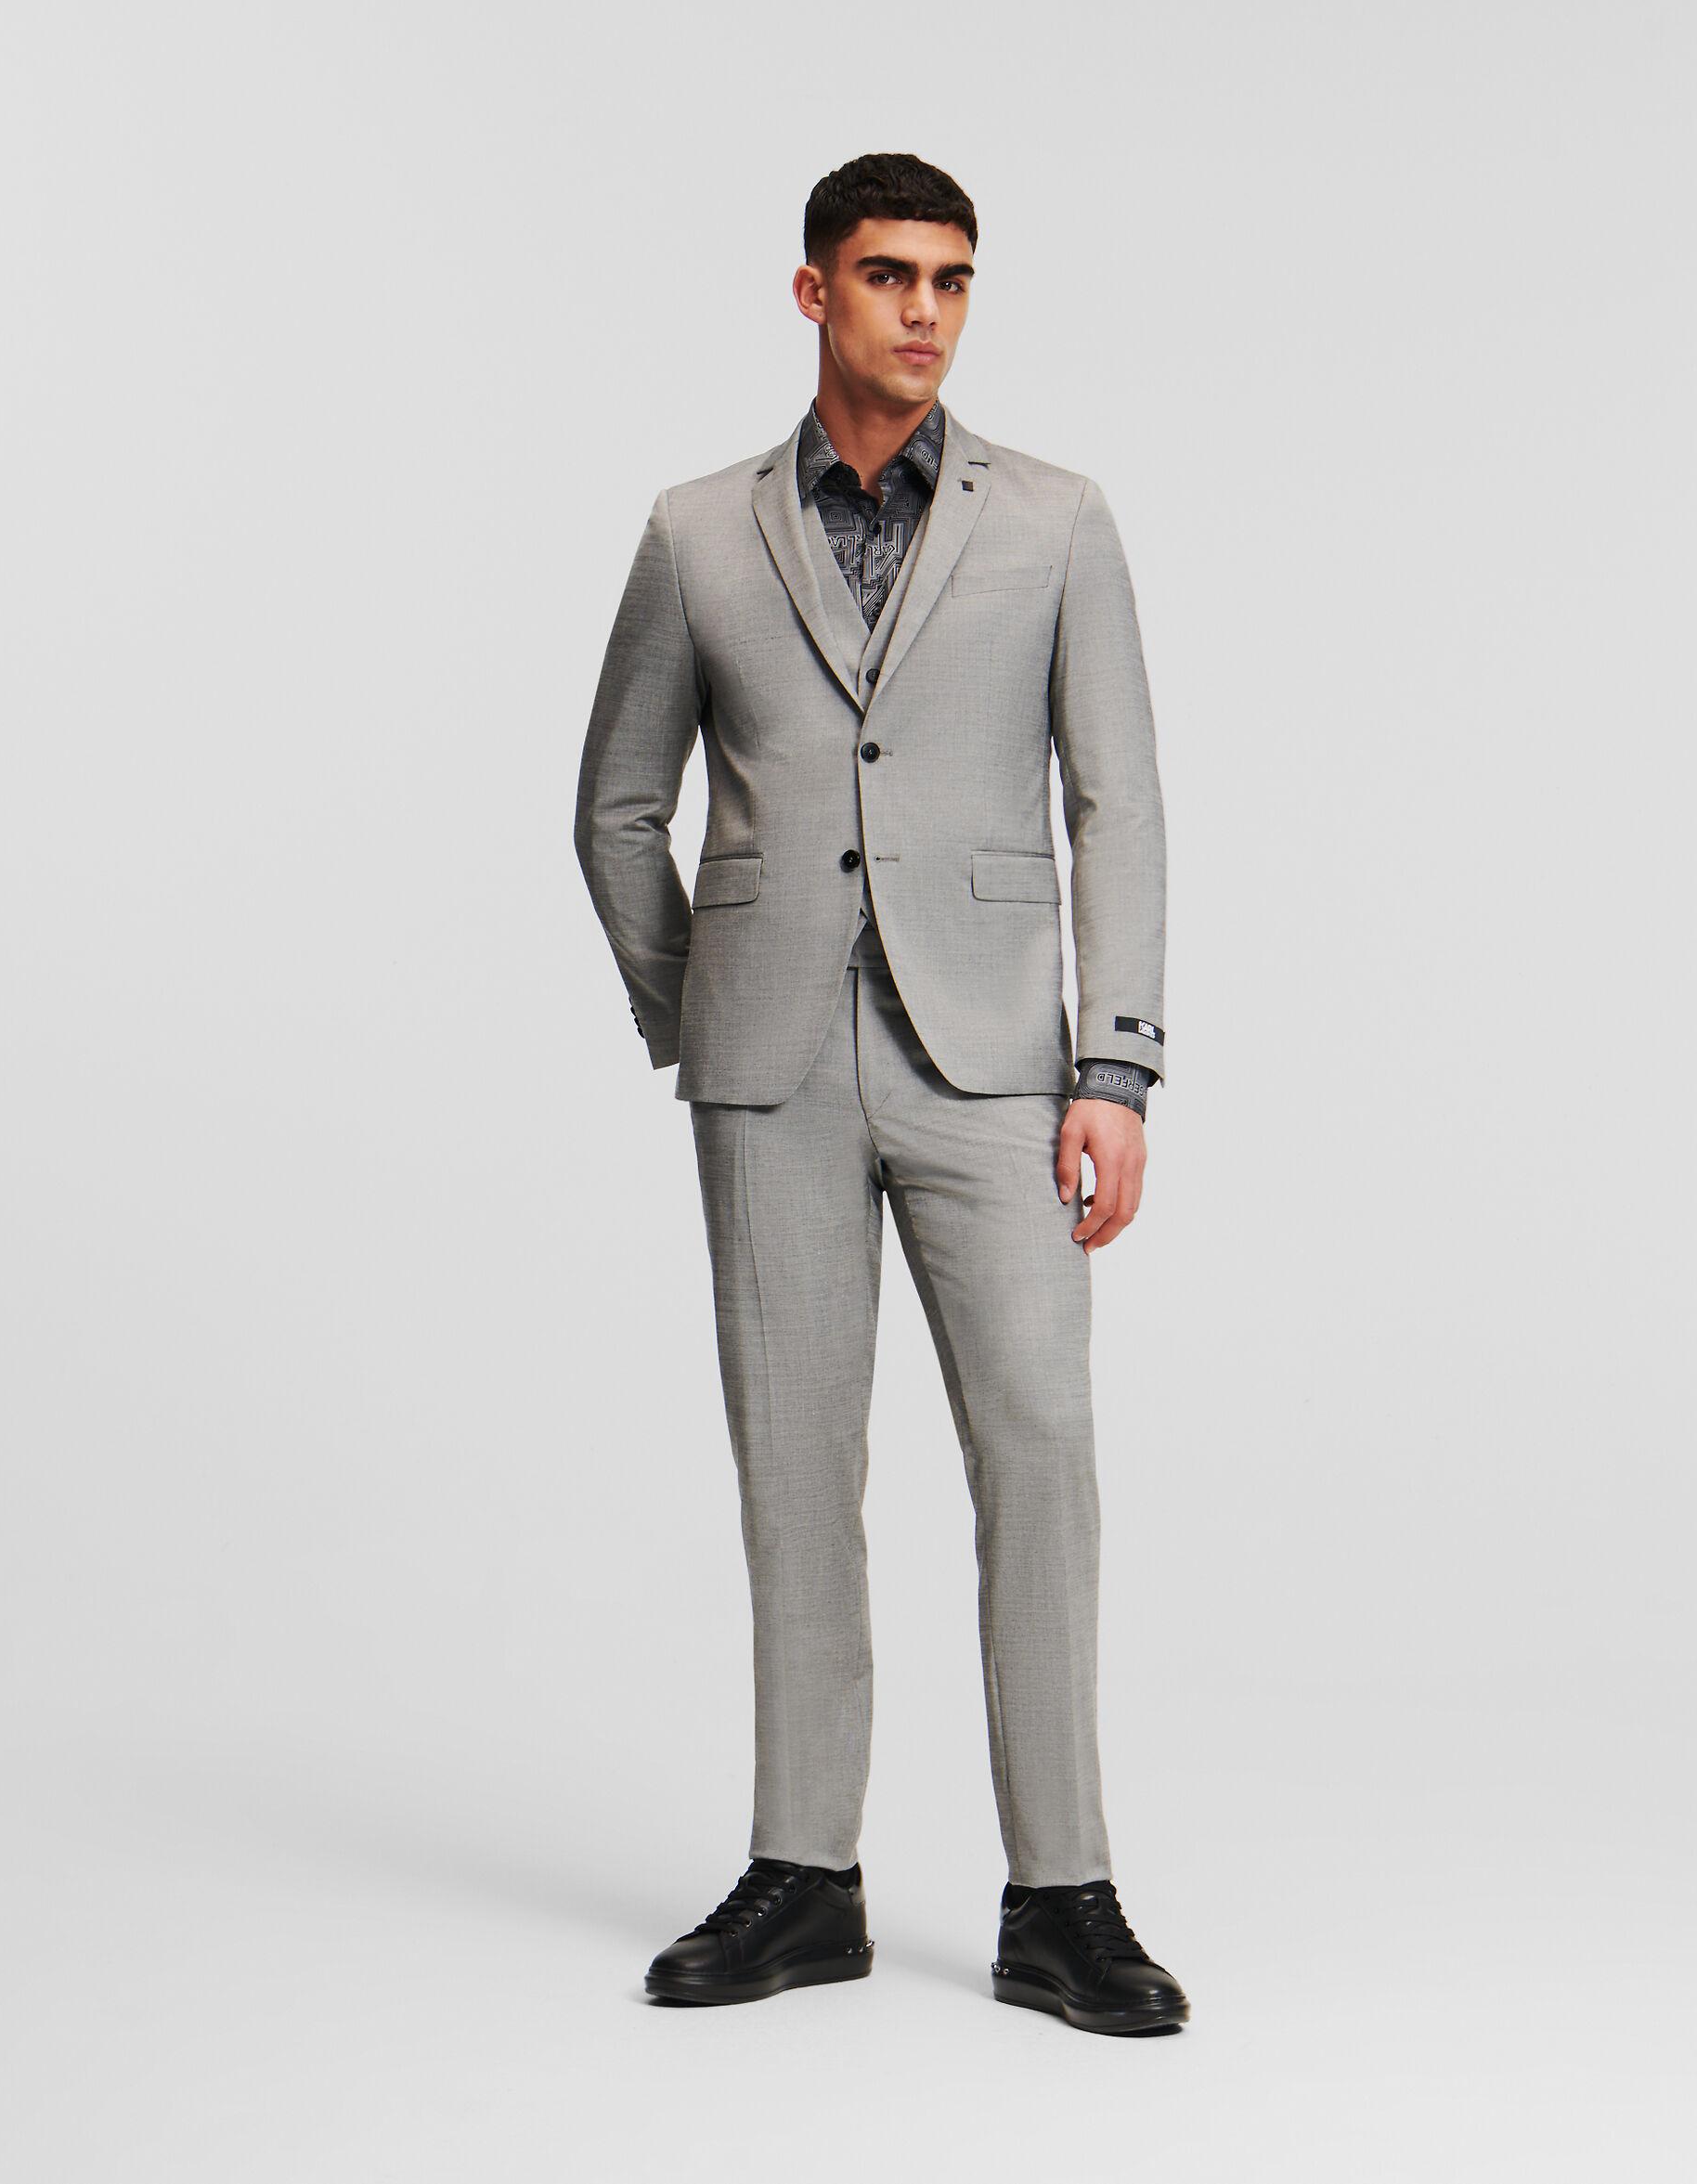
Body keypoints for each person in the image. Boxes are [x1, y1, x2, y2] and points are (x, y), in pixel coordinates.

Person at [575, 150, 1185, 2035]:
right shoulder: (696, 531)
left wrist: (1114, 1065)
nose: (924, 310)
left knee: (1041, 1452)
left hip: (996, 1064)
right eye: (887, 275)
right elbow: (615, 807)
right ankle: (805, 1877)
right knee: (793, 1469)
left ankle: (1063, 1894)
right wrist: (697, 1009)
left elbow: (1118, 805)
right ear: (813, 292)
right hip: (770, 1070)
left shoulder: (1058, 520)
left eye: (952, 279)